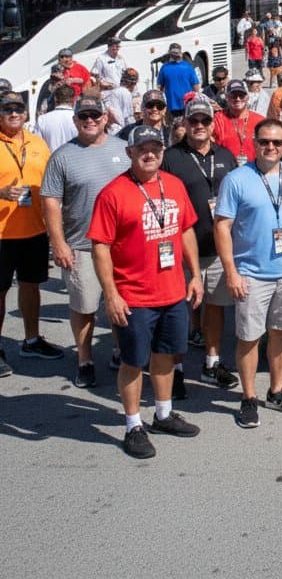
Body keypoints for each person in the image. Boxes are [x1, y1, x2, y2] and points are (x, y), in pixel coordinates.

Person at [88, 125, 203, 458]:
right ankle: (133, 425)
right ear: (130, 152)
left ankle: (163, 414)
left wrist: (194, 275)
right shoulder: (113, 193)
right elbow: (100, 247)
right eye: (142, 148)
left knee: (166, 355)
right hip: (134, 296)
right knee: (134, 362)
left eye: (156, 147)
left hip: (172, 291)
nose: (150, 153)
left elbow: (185, 232)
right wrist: (111, 294)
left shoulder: (176, 186)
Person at [213, 118, 282, 430]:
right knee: (248, 338)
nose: (270, 147)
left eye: (276, 142)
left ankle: (276, 390)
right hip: (250, 274)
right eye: (264, 142)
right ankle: (248, 397)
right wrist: (231, 272)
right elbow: (222, 226)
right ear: (254, 144)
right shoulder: (236, 179)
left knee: (281, 333)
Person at [42, 95, 133, 385]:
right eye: (84, 116)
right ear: (75, 120)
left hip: (124, 245)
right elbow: (51, 202)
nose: (90, 120)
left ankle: (120, 350)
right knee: (85, 306)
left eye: (95, 115)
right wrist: (58, 243)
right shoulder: (62, 156)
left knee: (124, 302)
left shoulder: (124, 149)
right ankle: (84, 359)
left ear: (106, 117)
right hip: (82, 245)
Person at [161, 96, 240, 392]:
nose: (198, 126)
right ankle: (176, 369)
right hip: (184, 248)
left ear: (212, 124)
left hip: (219, 246)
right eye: (193, 121)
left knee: (216, 307)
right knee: (180, 311)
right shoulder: (171, 157)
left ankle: (211, 362)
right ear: (184, 123)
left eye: (204, 121)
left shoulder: (226, 155)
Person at [0, 91, 58, 376]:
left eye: (18, 109)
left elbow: (51, 181)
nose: (13, 114)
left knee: (31, 286)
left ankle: (32, 340)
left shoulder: (37, 143)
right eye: (7, 109)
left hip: (35, 229)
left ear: (25, 113)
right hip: (1, 233)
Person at [211, 79, 265, 166]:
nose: (238, 99)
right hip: (226, 168)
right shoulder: (218, 118)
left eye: (241, 95)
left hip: (254, 168)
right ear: (227, 98)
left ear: (247, 97)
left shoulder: (260, 121)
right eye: (233, 96)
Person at [156, 43, 200, 117]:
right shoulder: (187, 66)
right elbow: (196, 86)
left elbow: (160, 87)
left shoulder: (186, 67)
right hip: (174, 105)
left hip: (185, 103)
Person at [34, 84, 80, 153]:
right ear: (74, 100)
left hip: (50, 161)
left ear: (55, 99)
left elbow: (37, 147)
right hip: (74, 161)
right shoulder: (80, 120)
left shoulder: (42, 120)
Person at [102, 68, 139, 134]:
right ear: (134, 83)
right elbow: (128, 118)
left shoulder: (109, 92)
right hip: (119, 131)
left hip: (106, 131)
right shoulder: (125, 93)